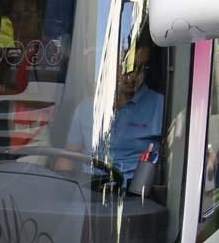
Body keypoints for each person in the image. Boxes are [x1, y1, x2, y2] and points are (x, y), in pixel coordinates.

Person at [57, 39, 164, 181]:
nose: (132, 76)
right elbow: (67, 160)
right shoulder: (86, 108)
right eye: (125, 68)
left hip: (132, 194)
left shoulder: (160, 106)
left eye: (140, 68)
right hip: (87, 189)